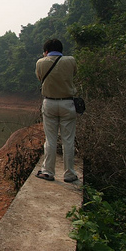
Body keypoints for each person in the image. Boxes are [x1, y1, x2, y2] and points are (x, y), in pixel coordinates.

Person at [35, 38, 78, 183]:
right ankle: (69, 174)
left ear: (46, 51)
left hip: (49, 103)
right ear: (61, 50)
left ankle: (47, 172)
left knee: (50, 139)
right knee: (68, 140)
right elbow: (74, 74)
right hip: (67, 103)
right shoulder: (71, 60)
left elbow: (40, 78)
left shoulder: (41, 62)